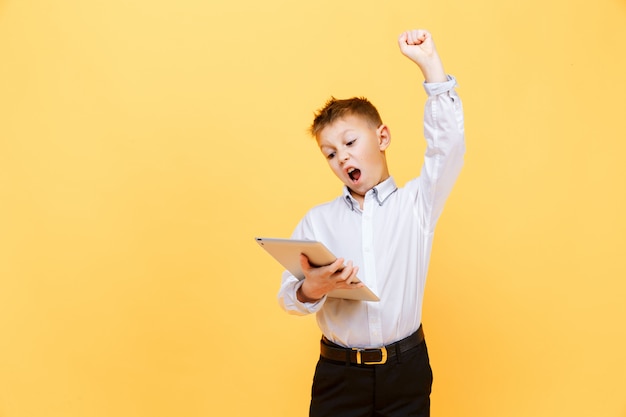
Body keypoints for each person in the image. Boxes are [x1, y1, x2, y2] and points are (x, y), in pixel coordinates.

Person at [277, 28, 465, 417]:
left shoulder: (417, 205)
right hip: (338, 377)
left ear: (382, 137)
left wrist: (430, 64)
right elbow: (288, 299)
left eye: (349, 143)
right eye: (330, 153)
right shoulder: (317, 221)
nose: (342, 159)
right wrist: (310, 290)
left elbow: (447, 147)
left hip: (406, 373)